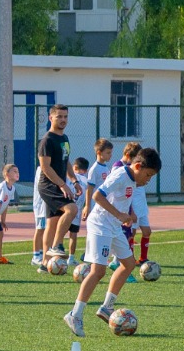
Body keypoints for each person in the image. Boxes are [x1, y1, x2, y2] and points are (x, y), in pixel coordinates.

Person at [65, 147, 159, 337]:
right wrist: (118, 214)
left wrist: (130, 214)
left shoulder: (132, 179)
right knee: (98, 271)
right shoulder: (120, 175)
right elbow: (97, 195)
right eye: (148, 175)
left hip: (114, 227)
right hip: (100, 224)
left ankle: (107, 307)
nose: (148, 180)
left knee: (129, 263)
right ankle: (75, 314)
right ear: (138, 166)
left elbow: (122, 198)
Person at [34, 105, 73, 271]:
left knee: (52, 223)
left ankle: (44, 263)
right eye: (59, 117)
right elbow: (45, 167)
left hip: (58, 183)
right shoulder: (47, 140)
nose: (63, 120)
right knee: (71, 209)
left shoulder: (64, 138)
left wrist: (74, 180)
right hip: (48, 185)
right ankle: (57, 245)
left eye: (65, 116)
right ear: (51, 118)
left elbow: (66, 161)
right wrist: (62, 184)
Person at [119, 140, 154, 276]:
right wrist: (130, 209)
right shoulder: (125, 170)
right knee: (131, 233)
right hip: (133, 206)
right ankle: (130, 259)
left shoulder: (139, 172)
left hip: (141, 206)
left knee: (147, 231)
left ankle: (143, 258)